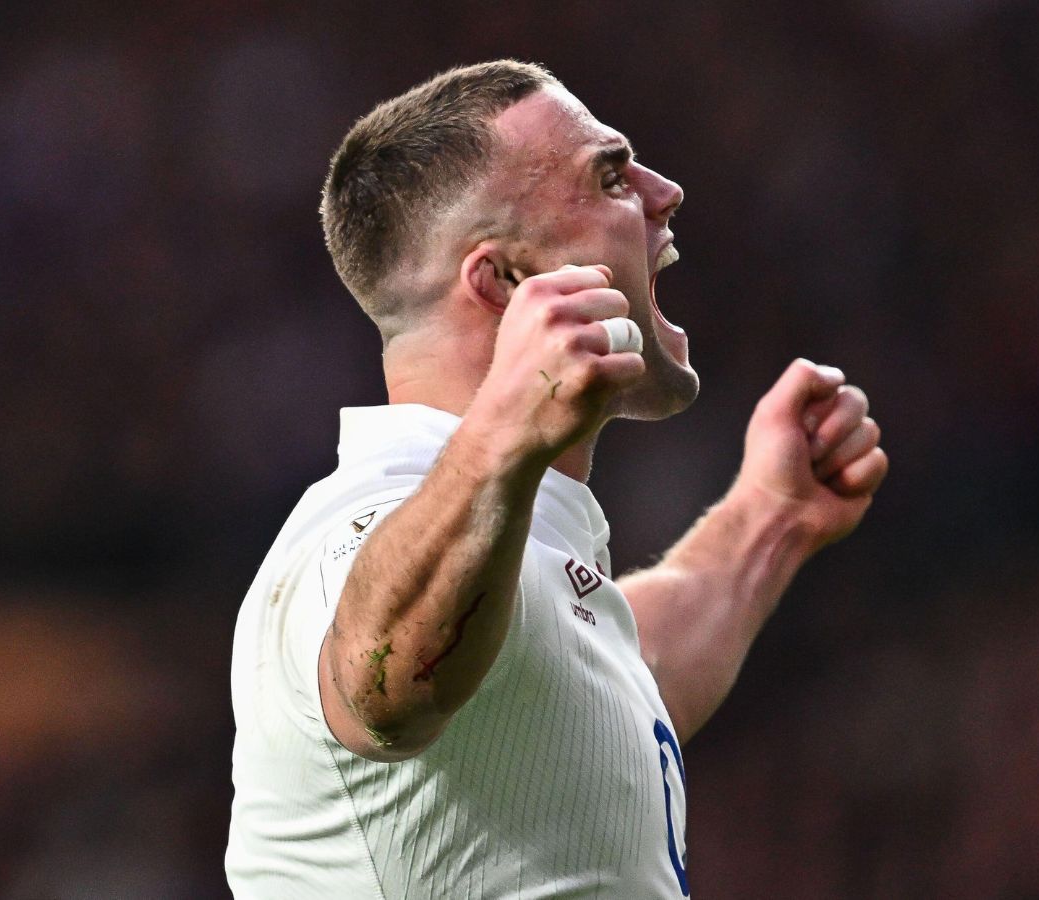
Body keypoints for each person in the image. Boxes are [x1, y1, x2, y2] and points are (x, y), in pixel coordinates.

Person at [225, 60, 888, 899]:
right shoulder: (361, 521)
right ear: (506, 282)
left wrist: (770, 516)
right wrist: (502, 433)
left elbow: (611, 676)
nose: (666, 191)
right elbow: (379, 677)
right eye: (609, 177)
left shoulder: (508, 561)